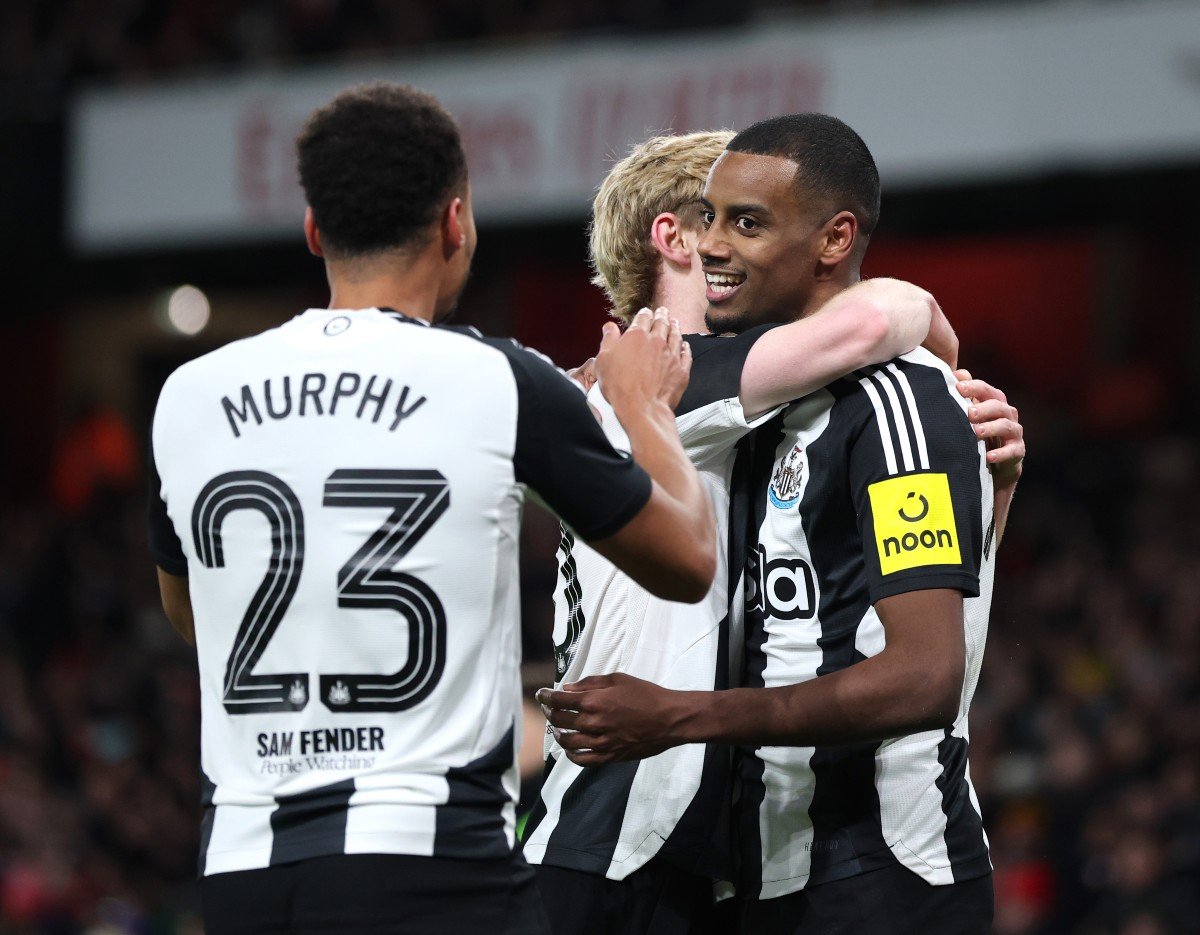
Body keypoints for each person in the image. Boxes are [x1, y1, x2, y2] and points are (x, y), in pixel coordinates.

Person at [146, 82, 719, 935]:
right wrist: (647, 412)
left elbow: (194, 614)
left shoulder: (189, 394)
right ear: (456, 222)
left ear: (314, 231)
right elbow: (687, 559)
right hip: (435, 867)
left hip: (243, 870)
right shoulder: (498, 377)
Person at [528, 129, 1022, 933]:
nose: (724, 244)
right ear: (674, 235)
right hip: (628, 845)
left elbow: (925, 653)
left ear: (827, 235)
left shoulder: (817, 405)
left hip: (860, 864)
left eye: (750, 222)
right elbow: (867, 325)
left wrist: (994, 482)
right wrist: (917, 307)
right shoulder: (644, 387)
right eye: (713, 217)